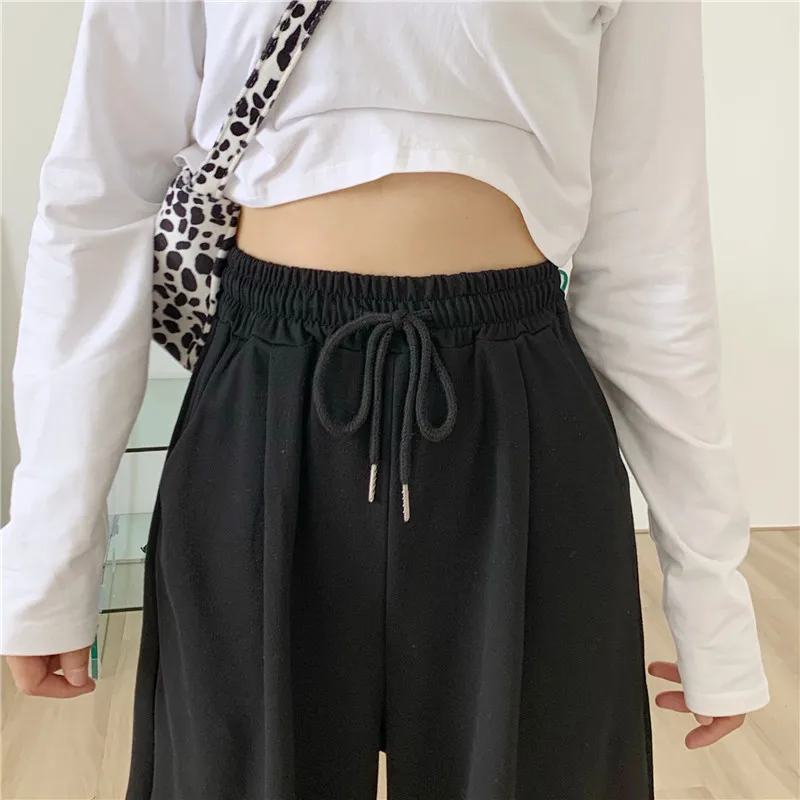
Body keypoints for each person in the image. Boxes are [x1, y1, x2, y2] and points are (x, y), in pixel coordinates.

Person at [2, 2, 770, 798]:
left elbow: (649, 254)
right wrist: (49, 553)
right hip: (264, 400)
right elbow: (98, 199)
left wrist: (709, 588)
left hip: (518, 414)